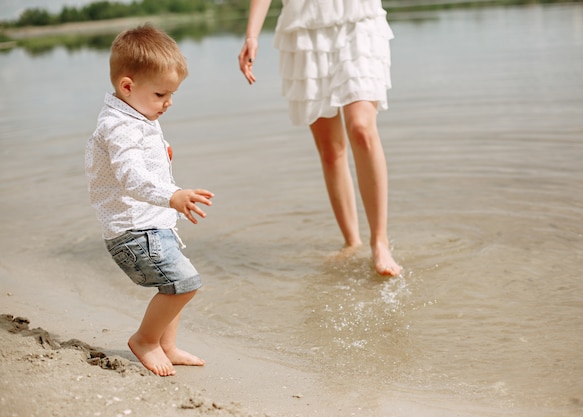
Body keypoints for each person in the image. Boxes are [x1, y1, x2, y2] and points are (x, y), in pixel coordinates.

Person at [238, 0, 402, 276]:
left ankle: (379, 241)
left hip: (357, 18)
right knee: (330, 150)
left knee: (361, 129)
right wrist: (252, 35)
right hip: (304, 25)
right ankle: (352, 242)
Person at [85, 25, 214, 377]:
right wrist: (172, 195)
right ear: (128, 86)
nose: (168, 102)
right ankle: (145, 340)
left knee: (175, 285)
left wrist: (161, 154)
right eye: (161, 94)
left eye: (171, 94)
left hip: (153, 225)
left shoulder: (135, 113)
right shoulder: (119, 125)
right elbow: (131, 178)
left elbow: (141, 161)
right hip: (135, 231)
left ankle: (167, 345)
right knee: (185, 284)